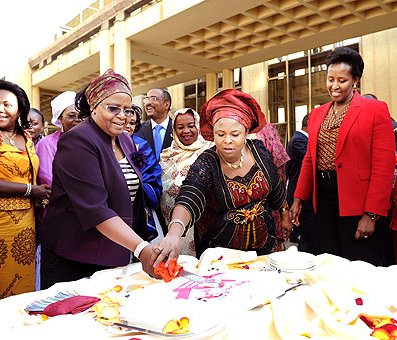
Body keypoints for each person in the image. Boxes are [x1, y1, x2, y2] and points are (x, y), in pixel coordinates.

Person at [40, 69, 158, 289]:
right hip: (77, 255)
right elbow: (95, 209)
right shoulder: (78, 141)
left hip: (117, 249)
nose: (123, 116)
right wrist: (141, 248)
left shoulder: (125, 140)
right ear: (93, 107)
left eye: (127, 110)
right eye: (113, 108)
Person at [151, 89, 292, 264]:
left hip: (264, 248)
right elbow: (189, 196)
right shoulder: (207, 162)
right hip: (222, 255)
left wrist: (285, 214)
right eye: (220, 134)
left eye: (235, 134)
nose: (227, 140)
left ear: (246, 132)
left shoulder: (258, 151)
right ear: (212, 133)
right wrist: (174, 233)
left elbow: (275, 187)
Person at [290, 47, 395, 266]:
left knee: (361, 265)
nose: (334, 86)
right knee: (331, 261)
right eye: (330, 79)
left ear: (355, 80)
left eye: (342, 80)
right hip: (325, 200)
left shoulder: (375, 109)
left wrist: (372, 214)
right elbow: (310, 159)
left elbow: (384, 166)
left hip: (359, 202)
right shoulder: (318, 113)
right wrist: (298, 199)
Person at [0, 80, 51, 321]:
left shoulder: (24, 137)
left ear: (20, 109)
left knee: (24, 288)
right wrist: (31, 190)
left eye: (7, 104)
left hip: (27, 226)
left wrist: (39, 191)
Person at [33, 91, 82, 291]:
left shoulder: (92, 140)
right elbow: (49, 180)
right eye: (71, 115)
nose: (78, 119)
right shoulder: (47, 144)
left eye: (81, 114)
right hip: (58, 219)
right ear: (59, 119)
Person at [159, 108, 213, 255]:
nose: (186, 131)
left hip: (205, 224)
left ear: (198, 126)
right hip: (172, 225)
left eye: (190, 125)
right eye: (180, 127)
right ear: (174, 130)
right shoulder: (166, 155)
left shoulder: (210, 151)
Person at [123, 104, 164, 243]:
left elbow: (151, 178)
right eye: (125, 121)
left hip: (141, 210)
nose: (128, 126)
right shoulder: (103, 144)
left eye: (132, 123)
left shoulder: (141, 146)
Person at [286, 114, 318, 254]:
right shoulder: (298, 140)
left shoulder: (303, 139)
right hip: (303, 200)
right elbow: (315, 160)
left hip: (308, 200)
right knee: (309, 239)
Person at [135, 88, 173, 158]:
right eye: (146, 99)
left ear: (167, 104)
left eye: (153, 99)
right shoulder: (137, 130)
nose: (147, 103)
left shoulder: (177, 129)